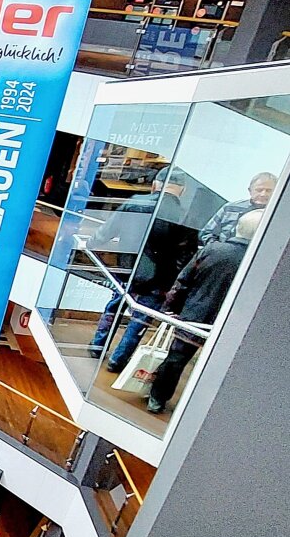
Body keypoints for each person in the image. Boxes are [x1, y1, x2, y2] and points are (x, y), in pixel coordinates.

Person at [147, 209, 263, 413]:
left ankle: (156, 399)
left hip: (195, 315)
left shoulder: (212, 250)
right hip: (234, 322)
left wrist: (170, 309)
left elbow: (183, 282)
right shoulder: (260, 261)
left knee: (175, 359)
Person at [87, 169, 194, 371]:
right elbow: (185, 257)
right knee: (139, 321)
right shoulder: (184, 216)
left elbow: (107, 230)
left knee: (114, 308)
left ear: (155, 184)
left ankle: (97, 345)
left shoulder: (136, 201)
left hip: (127, 270)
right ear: (183, 190)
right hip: (159, 280)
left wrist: (90, 245)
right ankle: (117, 361)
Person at [198, 172, 276, 246]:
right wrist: (217, 249)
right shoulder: (230, 208)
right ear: (250, 190)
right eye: (259, 190)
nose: (263, 194)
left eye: (268, 191)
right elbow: (206, 233)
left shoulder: (278, 214)